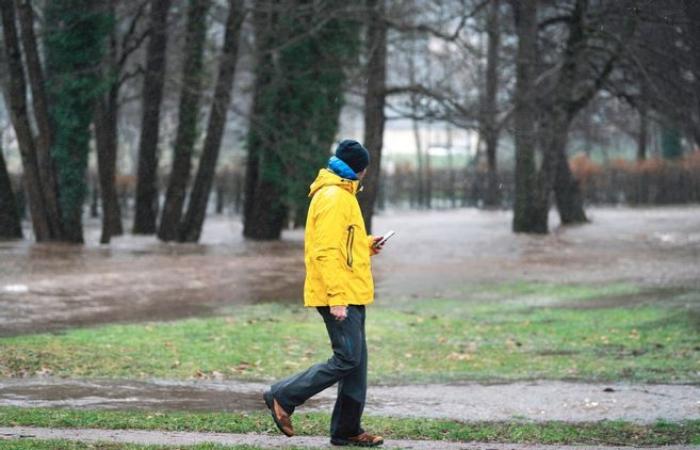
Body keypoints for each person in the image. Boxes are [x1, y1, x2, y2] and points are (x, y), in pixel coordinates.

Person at [263, 139, 385, 447]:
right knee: (346, 359)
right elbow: (326, 251)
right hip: (340, 294)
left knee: (356, 364)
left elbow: (344, 245)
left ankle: (347, 429)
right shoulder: (333, 197)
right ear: (360, 169)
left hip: (352, 291)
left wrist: (368, 245)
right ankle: (283, 395)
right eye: (366, 169)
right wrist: (337, 297)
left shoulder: (343, 194)